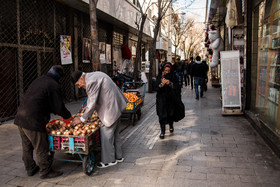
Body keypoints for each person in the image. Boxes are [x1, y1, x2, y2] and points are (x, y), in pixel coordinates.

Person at [14, 65, 72, 179]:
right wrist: (69, 117)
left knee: (27, 146)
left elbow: (42, 100)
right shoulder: (53, 85)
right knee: (41, 146)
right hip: (33, 120)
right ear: (59, 77)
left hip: (20, 117)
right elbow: (58, 107)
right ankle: (45, 171)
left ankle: (30, 168)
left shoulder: (40, 79)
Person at [71, 70, 128, 168]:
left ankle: (109, 161)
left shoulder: (90, 82)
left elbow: (92, 102)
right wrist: (87, 107)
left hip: (110, 108)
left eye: (78, 84)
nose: (79, 86)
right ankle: (119, 157)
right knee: (116, 133)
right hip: (116, 105)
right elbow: (93, 95)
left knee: (106, 133)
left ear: (81, 78)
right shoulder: (93, 75)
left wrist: (82, 119)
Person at [154, 62, 185, 139]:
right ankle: (162, 131)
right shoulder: (160, 76)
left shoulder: (173, 76)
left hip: (171, 99)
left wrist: (170, 83)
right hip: (161, 99)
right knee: (161, 114)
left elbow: (177, 87)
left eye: (168, 71)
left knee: (170, 114)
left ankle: (171, 125)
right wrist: (161, 84)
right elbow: (156, 87)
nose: (167, 72)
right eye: (165, 70)